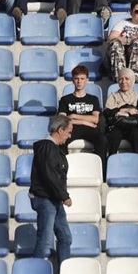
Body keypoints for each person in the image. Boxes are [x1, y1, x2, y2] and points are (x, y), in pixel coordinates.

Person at [30, 114, 73, 263]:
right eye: (69, 132)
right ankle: (36, 272)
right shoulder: (47, 147)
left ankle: (64, 272)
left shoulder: (53, 148)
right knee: (45, 240)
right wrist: (64, 195)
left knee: (65, 237)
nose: (69, 136)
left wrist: (61, 196)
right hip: (46, 198)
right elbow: (50, 175)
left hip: (54, 198)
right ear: (60, 130)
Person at [58, 65, 107, 165]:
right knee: (61, 139)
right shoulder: (65, 99)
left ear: (87, 80)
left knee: (103, 140)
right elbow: (62, 119)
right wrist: (84, 122)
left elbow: (95, 119)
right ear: (72, 80)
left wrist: (73, 116)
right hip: (72, 128)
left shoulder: (93, 99)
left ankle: (99, 168)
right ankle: (65, 168)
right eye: (76, 78)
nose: (79, 81)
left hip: (90, 129)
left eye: (82, 78)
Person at [104, 68, 138, 156]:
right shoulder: (113, 97)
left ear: (132, 81)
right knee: (114, 136)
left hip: (133, 126)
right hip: (116, 126)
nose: (123, 81)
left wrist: (124, 115)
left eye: (127, 79)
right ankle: (110, 161)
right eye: (121, 79)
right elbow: (107, 113)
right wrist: (124, 110)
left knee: (137, 136)